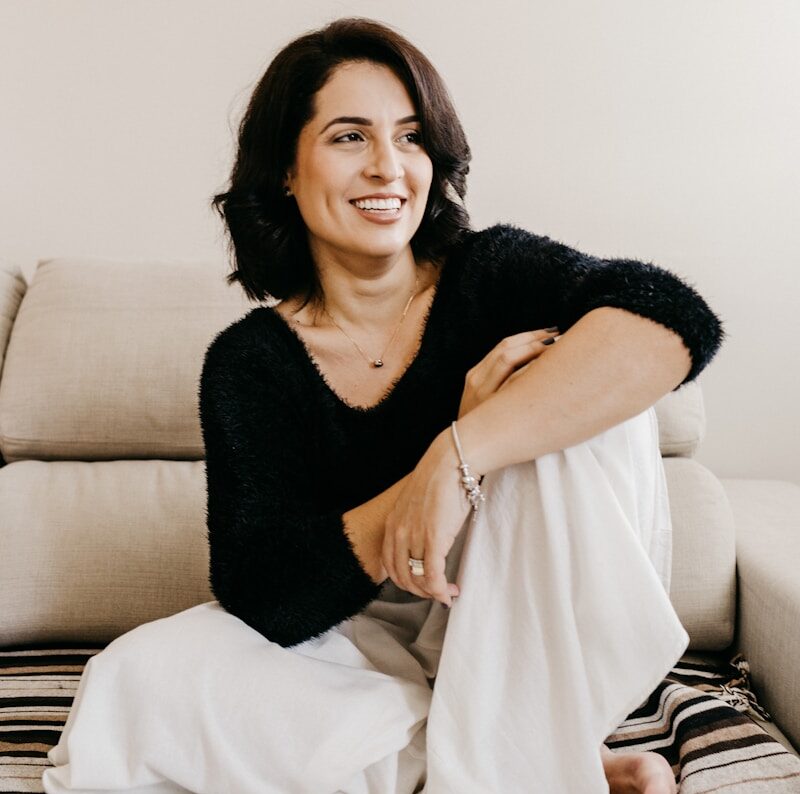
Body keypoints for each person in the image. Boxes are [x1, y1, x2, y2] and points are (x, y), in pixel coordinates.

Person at [43, 16, 725, 794]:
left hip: (527, 609)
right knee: (134, 683)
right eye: (348, 138)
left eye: (409, 137)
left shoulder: (494, 271)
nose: (387, 167)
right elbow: (264, 590)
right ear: (288, 172)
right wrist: (425, 487)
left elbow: (674, 320)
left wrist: (467, 447)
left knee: (573, 388)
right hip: (376, 639)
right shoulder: (250, 361)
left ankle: (515, 757)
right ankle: (550, 763)